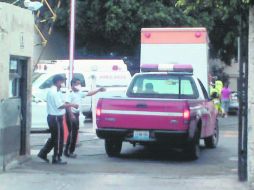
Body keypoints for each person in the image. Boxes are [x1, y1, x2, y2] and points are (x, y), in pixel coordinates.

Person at [37, 75, 78, 164]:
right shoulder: (54, 92)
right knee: (59, 139)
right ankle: (56, 157)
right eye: (62, 81)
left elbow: (61, 103)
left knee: (55, 137)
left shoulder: (56, 91)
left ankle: (43, 153)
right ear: (58, 81)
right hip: (55, 117)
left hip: (55, 117)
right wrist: (72, 105)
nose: (63, 83)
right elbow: (59, 106)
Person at [64, 78, 105, 158]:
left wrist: (98, 90)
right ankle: (69, 151)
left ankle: (68, 151)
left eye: (79, 84)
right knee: (72, 133)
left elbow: (89, 93)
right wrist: (71, 115)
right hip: (71, 114)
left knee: (74, 133)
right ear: (72, 85)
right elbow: (67, 105)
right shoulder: (70, 94)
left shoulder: (79, 93)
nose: (79, 86)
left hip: (76, 114)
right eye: (77, 84)